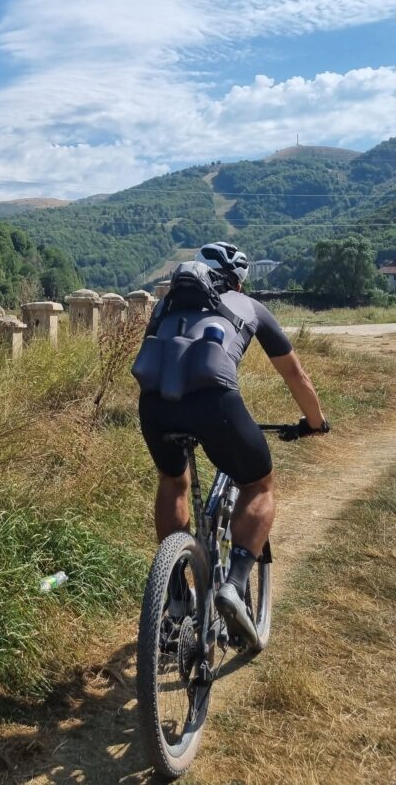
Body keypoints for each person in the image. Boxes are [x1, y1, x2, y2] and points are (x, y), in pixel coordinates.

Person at [134, 241, 329, 647]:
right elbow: (297, 376)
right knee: (259, 483)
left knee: (174, 481)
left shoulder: (164, 307)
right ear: (237, 282)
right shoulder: (250, 307)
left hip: (154, 406)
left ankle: (173, 597)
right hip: (215, 403)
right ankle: (234, 585)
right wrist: (315, 423)